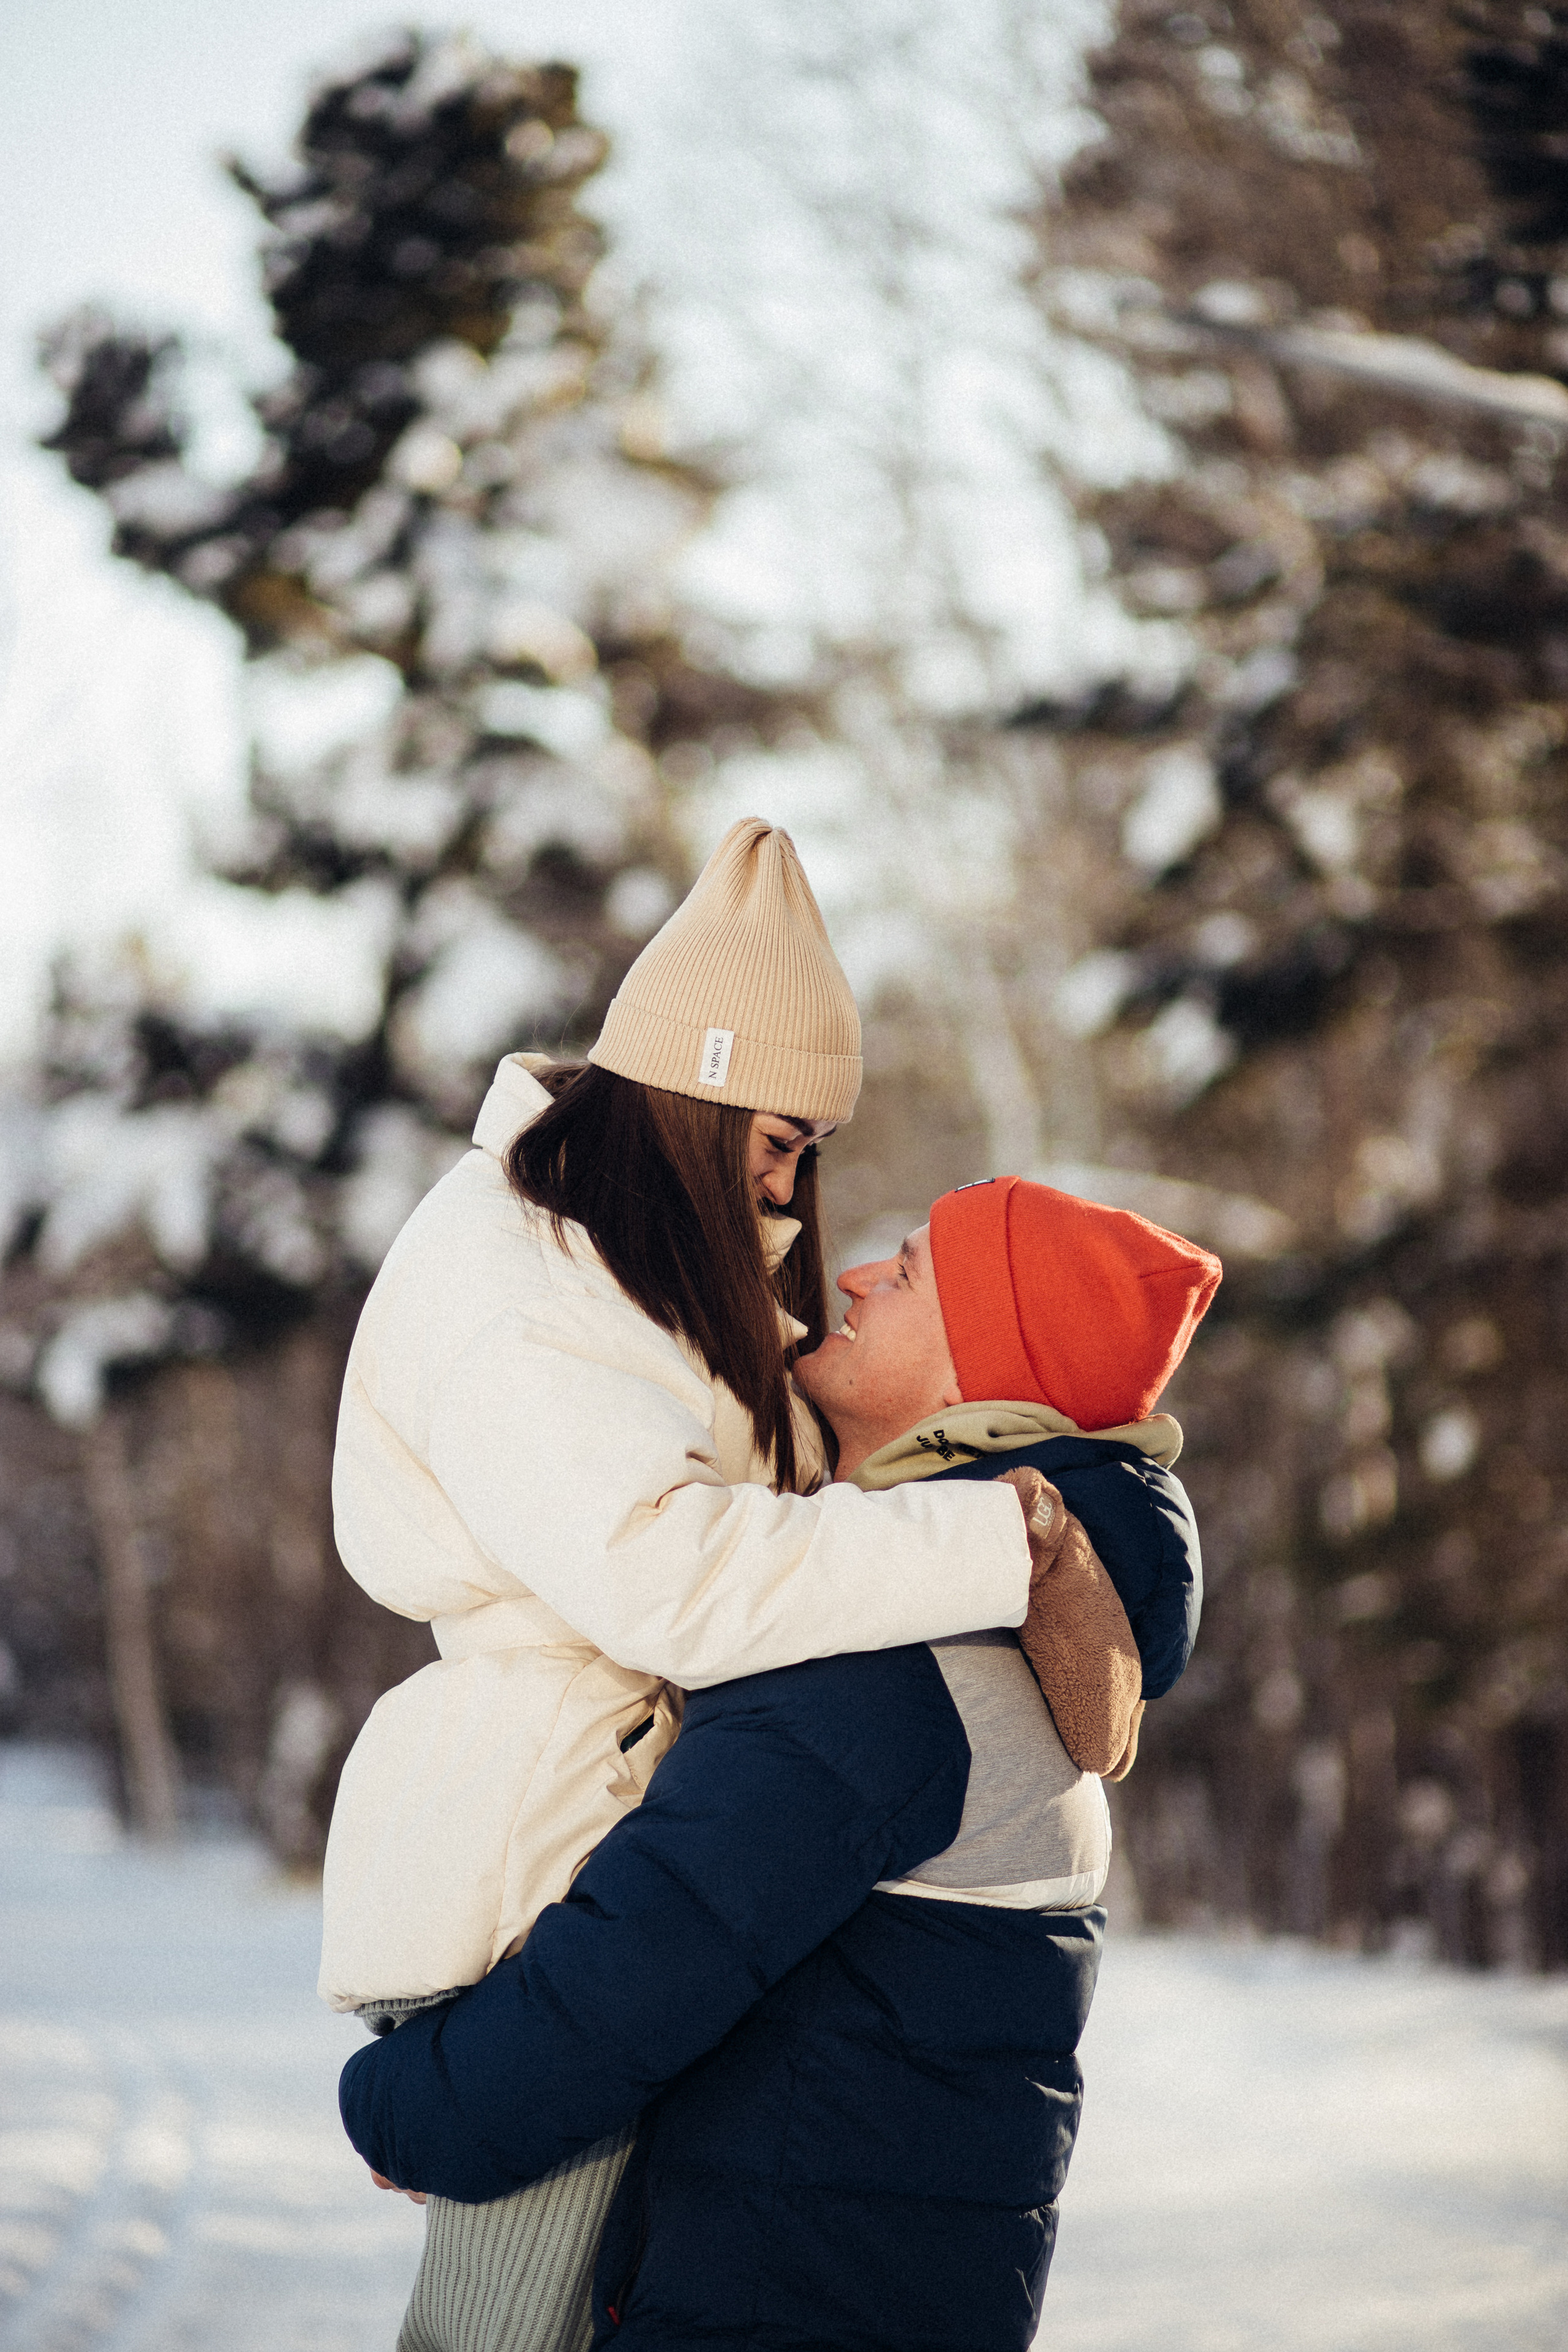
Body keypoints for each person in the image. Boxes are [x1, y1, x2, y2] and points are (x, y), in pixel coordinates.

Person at [318, 821, 1100, 2350]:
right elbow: (666, 1579)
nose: (796, 1188)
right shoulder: (511, 1282)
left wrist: (1084, 1517)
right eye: (782, 1137)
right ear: (705, 1088)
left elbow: (809, 1496)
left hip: (628, 1838)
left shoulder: (635, 1256)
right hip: (530, 1869)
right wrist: (1003, 1538)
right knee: (501, 2333)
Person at [341, 1176, 1220, 2352]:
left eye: (904, 1273)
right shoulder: (992, 1636)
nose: (851, 1277)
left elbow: (625, 1982)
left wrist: (405, 2105)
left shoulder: (886, 1662)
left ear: (974, 1382)